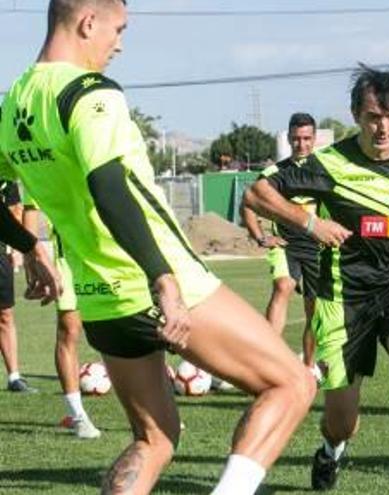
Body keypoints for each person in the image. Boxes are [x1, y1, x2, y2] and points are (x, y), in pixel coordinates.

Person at [0, 1, 316, 493]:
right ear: (88, 22)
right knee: (294, 383)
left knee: (156, 440)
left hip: (100, 299)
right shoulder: (88, 93)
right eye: (118, 30)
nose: (119, 44)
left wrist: (31, 246)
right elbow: (109, 185)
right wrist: (161, 277)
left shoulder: (15, 101)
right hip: (161, 282)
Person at [244, 66, 389, 495]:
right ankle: (330, 449)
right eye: (374, 116)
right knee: (344, 421)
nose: (383, 127)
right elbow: (256, 194)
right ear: (357, 115)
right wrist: (309, 223)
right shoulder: (327, 163)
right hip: (344, 296)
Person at [241, 112, 320, 366]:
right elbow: (248, 203)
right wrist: (261, 237)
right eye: (296, 139)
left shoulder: (325, 171)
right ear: (288, 139)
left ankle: (308, 367)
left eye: (307, 138)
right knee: (283, 286)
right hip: (286, 244)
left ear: (314, 139)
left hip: (319, 249)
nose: (302, 144)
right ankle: (267, 362)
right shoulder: (274, 173)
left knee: (315, 309)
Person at [22, 200, 101, 438]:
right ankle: (78, 416)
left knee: (131, 328)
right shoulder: (45, 167)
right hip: (68, 261)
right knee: (69, 331)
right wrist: (32, 257)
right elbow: (30, 210)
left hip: (109, 256)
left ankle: (153, 412)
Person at [0, 181, 35, 393]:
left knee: (5, 313)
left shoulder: (5, 179)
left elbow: (14, 211)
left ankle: (14, 377)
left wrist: (17, 250)